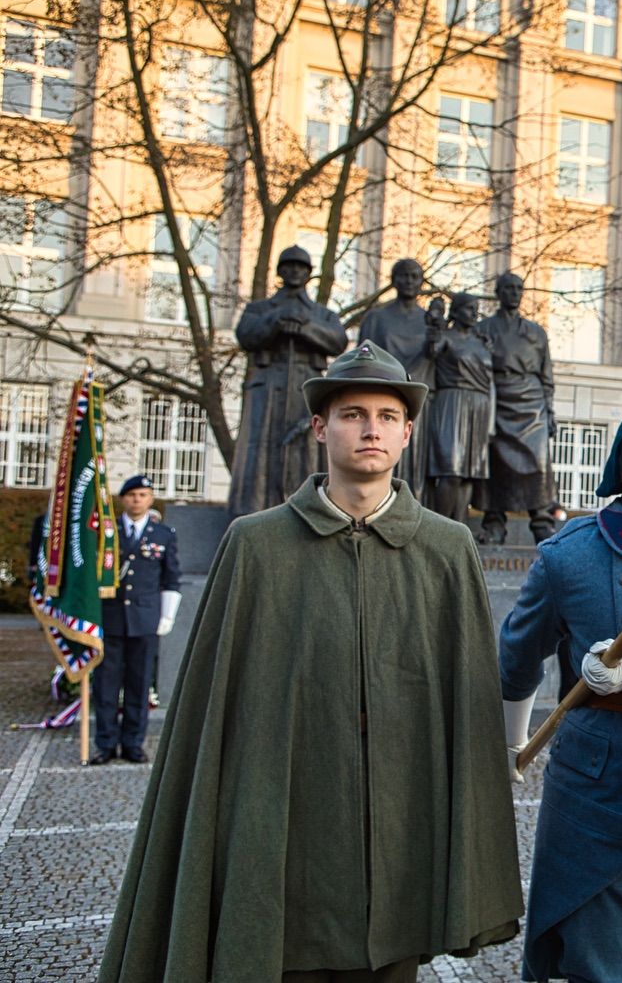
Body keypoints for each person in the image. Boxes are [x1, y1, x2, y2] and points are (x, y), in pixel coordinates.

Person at [100, 342, 523, 982]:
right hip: (285, 829)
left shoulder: (446, 548)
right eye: (353, 414)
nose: (371, 428)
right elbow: (212, 714)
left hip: (402, 826)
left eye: (386, 416)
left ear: (408, 434)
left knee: (392, 958)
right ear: (322, 428)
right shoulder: (257, 544)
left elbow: (465, 704)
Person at [499, 397, 622, 983]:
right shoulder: (572, 554)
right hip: (595, 784)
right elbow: (518, 657)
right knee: (596, 962)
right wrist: (515, 744)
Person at [228, 244, 348, 517]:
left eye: (301, 267)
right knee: (259, 451)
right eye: (290, 265)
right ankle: (252, 513)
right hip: (268, 384)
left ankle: (307, 511)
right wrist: (276, 322)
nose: (295, 271)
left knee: (306, 449)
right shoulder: (260, 309)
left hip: (306, 385)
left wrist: (305, 327)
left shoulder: (322, 314)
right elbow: (246, 335)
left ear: (309, 273)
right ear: (280, 270)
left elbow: (337, 341)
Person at [91, 474, 180, 765]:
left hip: (145, 619)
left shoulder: (163, 535)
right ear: (123, 499)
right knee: (106, 684)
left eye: (142, 495)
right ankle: (105, 743)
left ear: (151, 499)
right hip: (111, 618)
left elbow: (170, 578)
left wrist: (167, 615)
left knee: (139, 684)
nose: (137, 500)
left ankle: (133, 743)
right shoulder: (108, 533)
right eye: (131, 495)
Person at [476, 272, 560, 545]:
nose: (513, 293)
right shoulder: (484, 328)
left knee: (538, 464)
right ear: (498, 292)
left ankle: (542, 522)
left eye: (518, 289)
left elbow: (547, 376)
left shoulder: (536, 331)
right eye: (508, 288)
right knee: (495, 465)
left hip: (531, 402)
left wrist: (549, 411)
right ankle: (494, 523)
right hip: (497, 398)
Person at [359, 258, 441, 502]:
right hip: (383, 398)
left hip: (420, 399)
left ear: (421, 282)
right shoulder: (376, 318)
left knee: (416, 462)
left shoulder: (430, 321)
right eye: (403, 275)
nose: (408, 281)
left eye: (414, 276)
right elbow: (363, 358)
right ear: (394, 280)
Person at [426, 293, 494, 524]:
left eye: (476, 309)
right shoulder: (446, 337)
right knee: (450, 471)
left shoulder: (482, 342)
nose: (474, 314)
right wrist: (435, 322)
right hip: (452, 403)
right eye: (468, 309)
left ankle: (460, 526)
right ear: (455, 311)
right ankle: (440, 528)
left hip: (479, 406)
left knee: (468, 475)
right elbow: (431, 352)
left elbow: (490, 382)